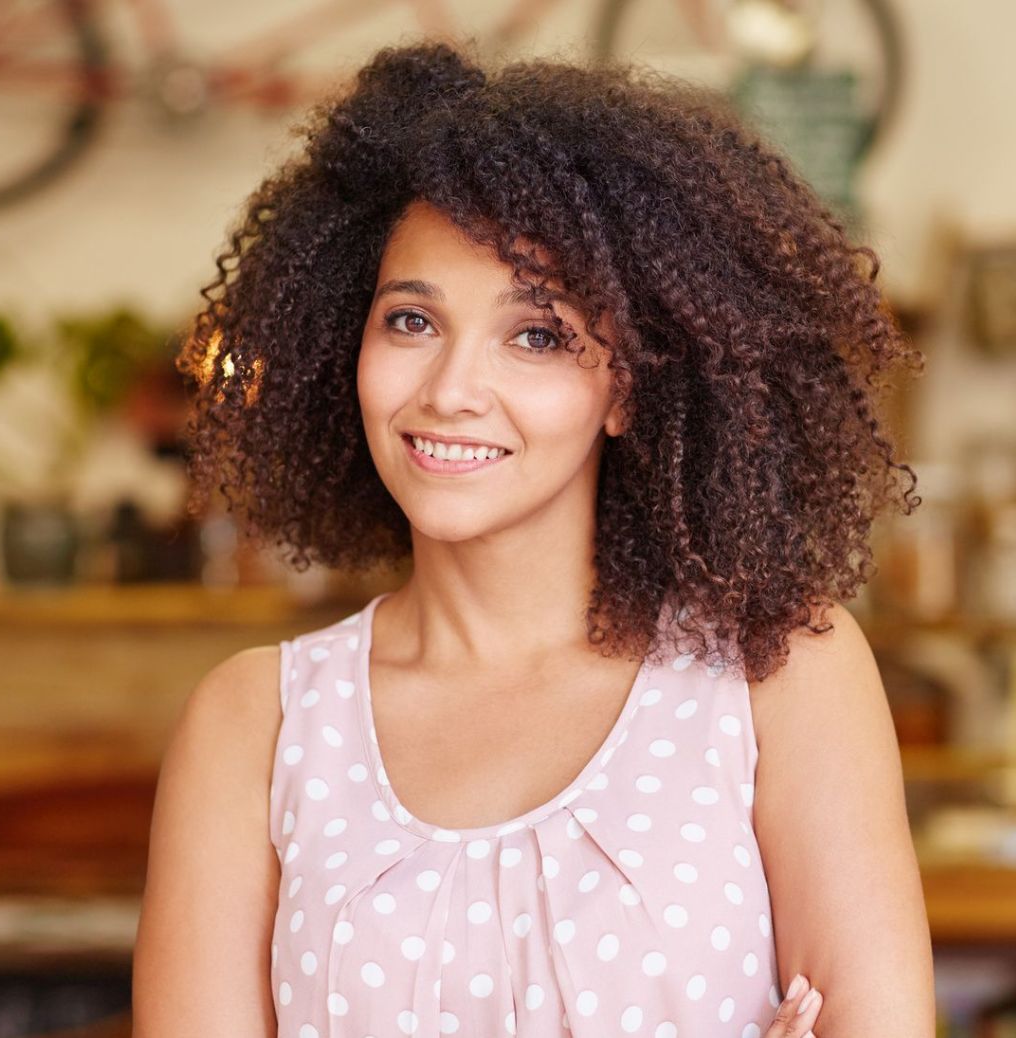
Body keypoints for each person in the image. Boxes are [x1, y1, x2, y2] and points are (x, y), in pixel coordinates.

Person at [132, 38, 933, 1038]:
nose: (452, 390)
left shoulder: (776, 676)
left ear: (629, 383)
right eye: (410, 322)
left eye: (538, 335)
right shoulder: (255, 725)